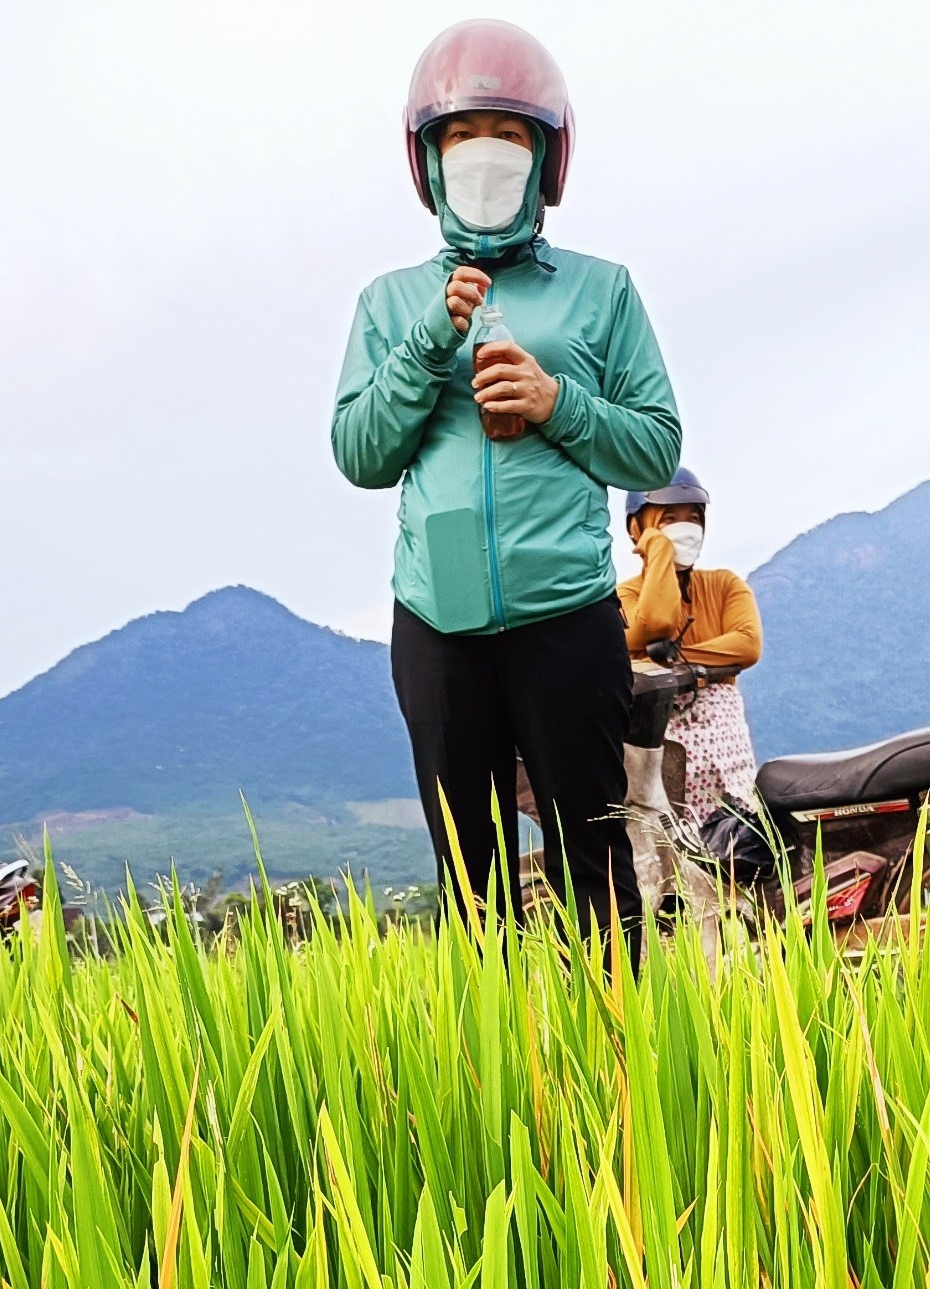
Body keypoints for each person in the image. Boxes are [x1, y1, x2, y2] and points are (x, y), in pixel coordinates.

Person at [332, 21, 682, 940]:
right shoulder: (389, 303)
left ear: (546, 159)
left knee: (594, 870)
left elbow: (654, 448)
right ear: (428, 160)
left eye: (509, 134)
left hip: (565, 617)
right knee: (469, 884)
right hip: (435, 624)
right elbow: (361, 456)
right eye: (458, 134)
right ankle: (492, 1075)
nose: (482, 154)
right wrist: (426, 345)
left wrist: (556, 400)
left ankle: (616, 1067)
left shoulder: (601, 292)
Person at [618, 470, 764, 827]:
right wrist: (658, 552)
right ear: (639, 528)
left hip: (725, 746)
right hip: (661, 742)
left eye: (694, 518)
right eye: (668, 519)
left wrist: (670, 657)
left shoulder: (725, 585)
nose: (685, 528)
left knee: (738, 837)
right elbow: (653, 624)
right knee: (669, 836)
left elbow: (746, 644)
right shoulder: (625, 596)